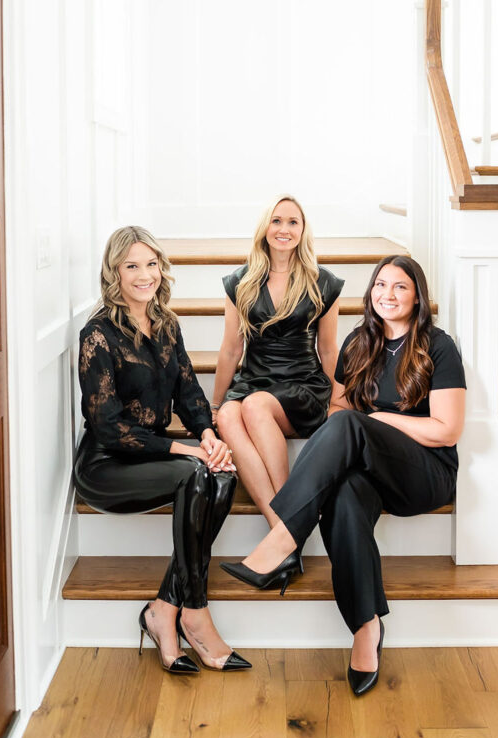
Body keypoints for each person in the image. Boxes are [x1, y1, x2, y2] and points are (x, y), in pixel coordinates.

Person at [221, 255, 466, 696]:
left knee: (352, 423)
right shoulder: (359, 342)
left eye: (400, 287)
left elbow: (447, 430)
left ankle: (285, 536)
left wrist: (378, 421)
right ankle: (365, 626)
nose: (388, 295)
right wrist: (359, 426)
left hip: (425, 472)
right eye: (381, 285)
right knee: (343, 496)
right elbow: (338, 407)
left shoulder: (438, 345)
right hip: (372, 470)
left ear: (417, 297)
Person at [74, 226, 250, 674]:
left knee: (223, 475)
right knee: (195, 472)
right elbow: (109, 428)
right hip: (107, 465)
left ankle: (164, 609)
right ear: (114, 272)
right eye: (131, 266)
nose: (144, 275)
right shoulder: (97, 335)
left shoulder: (167, 325)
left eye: (151, 264)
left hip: (151, 455)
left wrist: (207, 436)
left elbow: (189, 393)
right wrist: (184, 451)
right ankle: (196, 612)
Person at [213, 196, 344, 526]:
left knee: (255, 406)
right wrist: (215, 405)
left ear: (303, 230)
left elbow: (329, 350)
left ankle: (289, 517)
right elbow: (231, 350)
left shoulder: (323, 282)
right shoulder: (240, 282)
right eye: (277, 220)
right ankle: (283, 525)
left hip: (302, 384)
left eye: (293, 222)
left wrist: (338, 402)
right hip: (254, 379)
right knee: (228, 416)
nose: (284, 229)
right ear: (265, 227)